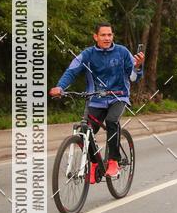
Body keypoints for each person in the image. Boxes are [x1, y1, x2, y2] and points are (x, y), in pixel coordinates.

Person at [49, 23, 144, 182]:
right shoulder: (87, 54)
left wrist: (138, 67)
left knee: (111, 121)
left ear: (113, 36)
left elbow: (133, 78)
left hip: (118, 96)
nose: (107, 38)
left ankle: (113, 161)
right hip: (96, 99)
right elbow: (71, 71)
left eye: (109, 35)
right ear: (95, 36)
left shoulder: (122, 52)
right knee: (85, 131)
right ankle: (94, 164)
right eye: (103, 35)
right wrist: (60, 87)